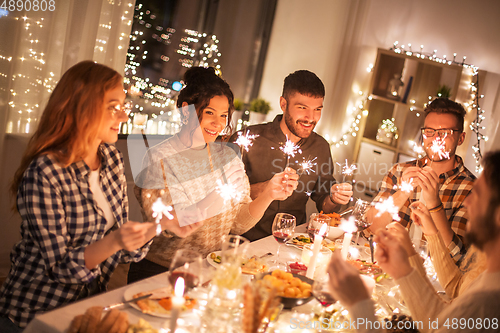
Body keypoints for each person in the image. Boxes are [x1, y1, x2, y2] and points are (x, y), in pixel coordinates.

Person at [0, 61, 200, 331]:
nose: (123, 116)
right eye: (113, 107)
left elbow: (125, 249)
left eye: (123, 106)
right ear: (83, 107)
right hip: (37, 313)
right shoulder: (45, 171)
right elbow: (61, 269)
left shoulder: (111, 159)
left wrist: (162, 225)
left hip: (89, 307)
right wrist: (115, 241)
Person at [128, 67, 297, 283]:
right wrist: (217, 195)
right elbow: (170, 227)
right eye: (209, 113)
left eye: (224, 115)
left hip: (209, 270)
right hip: (161, 273)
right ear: (186, 111)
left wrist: (268, 195)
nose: (218, 123)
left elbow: (237, 224)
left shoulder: (227, 157)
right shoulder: (159, 158)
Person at [327, 150, 500, 333]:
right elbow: (442, 317)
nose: (468, 202)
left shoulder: (487, 304)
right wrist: (405, 265)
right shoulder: (487, 275)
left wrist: (359, 304)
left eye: (479, 194)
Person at [230, 70, 353, 241]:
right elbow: (223, 199)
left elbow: (324, 205)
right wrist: (266, 189)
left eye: (317, 109)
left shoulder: (321, 147)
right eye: (302, 108)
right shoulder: (246, 139)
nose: (311, 118)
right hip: (244, 240)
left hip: (292, 242)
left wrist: (334, 198)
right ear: (283, 103)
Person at [368, 97, 476, 263]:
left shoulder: (472, 190)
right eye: (429, 132)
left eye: (444, 133)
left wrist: (434, 204)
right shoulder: (398, 172)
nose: (435, 139)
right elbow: (371, 228)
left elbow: (458, 256)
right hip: (388, 267)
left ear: (460, 138)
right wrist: (402, 192)